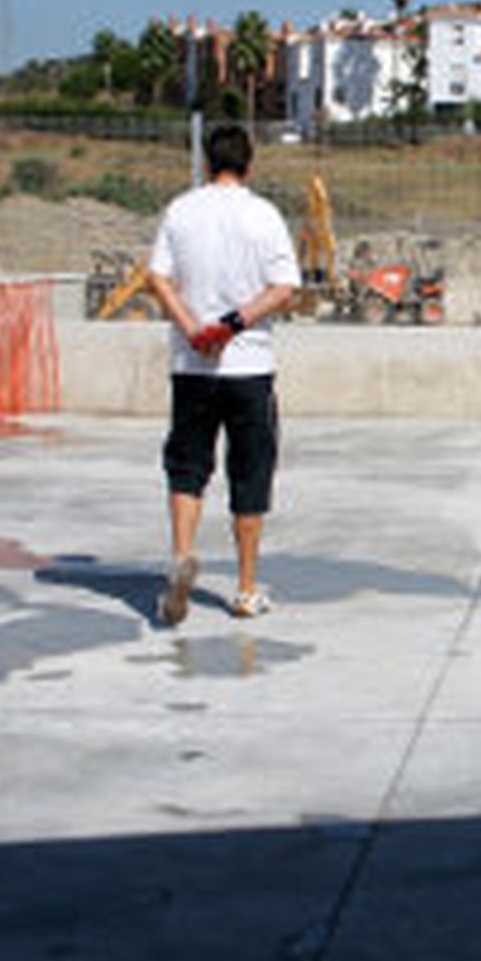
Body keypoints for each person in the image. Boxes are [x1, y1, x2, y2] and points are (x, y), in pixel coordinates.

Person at [146, 124, 300, 625]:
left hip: (192, 366)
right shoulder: (263, 215)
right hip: (249, 366)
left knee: (188, 466)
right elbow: (284, 287)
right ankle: (247, 587)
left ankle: (182, 555)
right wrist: (232, 324)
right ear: (249, 163)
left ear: (207, 161)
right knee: (250, 471)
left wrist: (194, 327)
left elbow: (157, 278)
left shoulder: (181, 211)